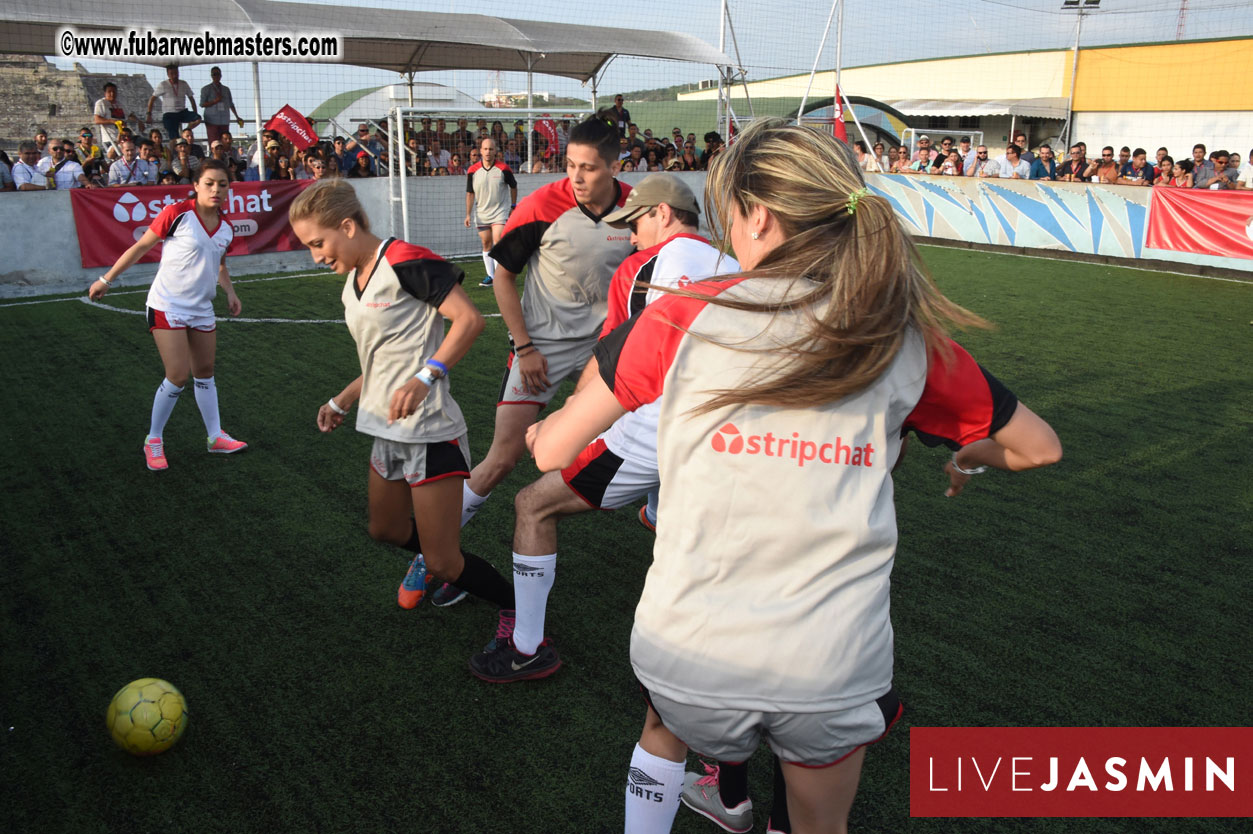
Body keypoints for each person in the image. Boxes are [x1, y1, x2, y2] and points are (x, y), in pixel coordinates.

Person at [524, 118, 1062, 834]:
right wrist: (964, 456)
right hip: (833, 666)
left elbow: (552, 452)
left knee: (662, 726)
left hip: (689, 652)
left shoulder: (683, 314)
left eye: (727, 212)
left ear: (758, 217)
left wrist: (541, 431)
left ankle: (714, 795)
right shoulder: (901, 337)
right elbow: (1038, 448)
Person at [467, 174, 738, 683]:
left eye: (636, 223)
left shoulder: (641, 269)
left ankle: (526, 648)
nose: (631, 237)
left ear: (662, 214)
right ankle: (660, 513)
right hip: (726, 434)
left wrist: (563, 420)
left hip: (657, 430)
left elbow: (613, 363)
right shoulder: (734, 263)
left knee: (533, 504)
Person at [287, 180, 517, 617]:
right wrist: (342, 399)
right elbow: (383, 360)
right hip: (385, 428)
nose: (316, 256)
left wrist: (426, 377)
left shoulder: (405, 260)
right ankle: (436, 551)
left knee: (444, 562)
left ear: (348, 226)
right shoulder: (352, 282)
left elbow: (469, 320)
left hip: (429, 432)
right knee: (386, 529)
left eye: (318, 243)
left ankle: (520, 613)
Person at [449, 117, 635, 608]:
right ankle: (436, 552)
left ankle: (658, 514)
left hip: (605, 352)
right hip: (542, 349)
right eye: (570, 165)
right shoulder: (540, 205)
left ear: (616, 167)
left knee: (656, 430)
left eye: (589, 168)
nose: (576, 176)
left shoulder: (637, 209)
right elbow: (503, 278)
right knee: (502, 458)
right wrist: (525, 347)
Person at [87, 159, 247, 471]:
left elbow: (220, 265)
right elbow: (141, 247)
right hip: (167, 305)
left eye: (222, 184)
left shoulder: (226, 227)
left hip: (202, 309)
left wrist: (230, 292)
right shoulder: (177, 213)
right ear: (196, 186)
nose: (216, 189)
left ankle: (215, 437)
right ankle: (154, 440)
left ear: (229, 189)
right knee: (177, 375)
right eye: (209, 183)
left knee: (205, 372)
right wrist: (106, 279)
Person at [465, 137, 518, 289]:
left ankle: (501, 276)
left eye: (491, 149)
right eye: (485, 149)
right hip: (482, 213)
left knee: (498, 240)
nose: (488, 152)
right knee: (486, 243)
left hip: (499, 212)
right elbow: (470, 193)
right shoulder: (472, 171)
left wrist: (513, 205)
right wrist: (468, 214)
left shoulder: (504, 169)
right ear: (481, 151)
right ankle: (491, 276)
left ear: (496, 151)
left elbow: (513, 186)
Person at [146, 65, 201, 162]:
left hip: (182, 112)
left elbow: (191, 98)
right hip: (169, 113)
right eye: (172, 73)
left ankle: (185, 132)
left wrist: (195, 111)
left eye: (176, 73)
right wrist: (149, 114)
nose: (174, 75)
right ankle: (172, 158)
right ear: (168, 74)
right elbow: (152, 98)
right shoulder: (163, 84)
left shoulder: (183, 83)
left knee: (198, 118)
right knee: (174, 138)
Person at [93, 81, 146, 154]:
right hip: (111, 138)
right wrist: (113, 121)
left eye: (114, 91)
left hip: (126, 138)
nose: (112, 94)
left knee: (143, 142)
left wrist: (139, 121)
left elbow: (130, 115)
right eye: (109, 92)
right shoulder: (101, 103)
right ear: (105, 93)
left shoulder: (120, 104)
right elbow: (97, 120)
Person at [199, 66, 244, 145]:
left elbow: (231, 104)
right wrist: (214, 101)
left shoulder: (226, 89)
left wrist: (237, 116)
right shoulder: (206, 89)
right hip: (211, 120)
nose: (216, 76)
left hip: (224, 119)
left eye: (218, 74)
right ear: (211, 76)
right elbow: (202, 104)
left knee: (225, 141)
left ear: (221, 75)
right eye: (214, 74)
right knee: (214, 142)